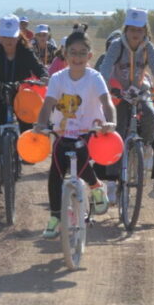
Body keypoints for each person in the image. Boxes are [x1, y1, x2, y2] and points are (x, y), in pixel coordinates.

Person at [34, 30, 116, 238]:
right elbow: (48, 104)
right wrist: (41, 124)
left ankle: (96, 185)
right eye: (73, 52)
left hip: (89, 131)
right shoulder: (57, 78)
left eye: (82, 53)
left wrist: (110, 121)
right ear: (65, 54)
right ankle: (55, 216)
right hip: (62, 131)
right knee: (55, 171)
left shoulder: (94, 77)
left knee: (80, 158)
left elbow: (107, 103)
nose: (77, 57)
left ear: (89, 56)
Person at [95, 29, 154, 200]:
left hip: (138, 111)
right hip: (114, 111)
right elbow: (99, 80)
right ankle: (106, 184)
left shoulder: (143, 64)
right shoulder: (105, 62)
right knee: (112, 139)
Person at [0, 15, 48, 198]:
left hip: (21, 95)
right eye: (5, 37)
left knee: (26, 126)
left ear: (17, 36)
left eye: (12, 37)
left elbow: (39, 68)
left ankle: (23, 154)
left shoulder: (25, 52)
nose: (8, 41)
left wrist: (43, 76)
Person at [98, 8, 154, 173]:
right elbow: (106, 66)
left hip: (140, 91)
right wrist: (104, 85)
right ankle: (112, 179)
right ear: (126, 30)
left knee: (150, 114)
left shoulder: (148, 48)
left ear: (145, 31)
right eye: (132, 29)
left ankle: (146, 147)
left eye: (139, 30)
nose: (136, 33)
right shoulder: (117, 46)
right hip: (120, 93)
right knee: (118, 131)